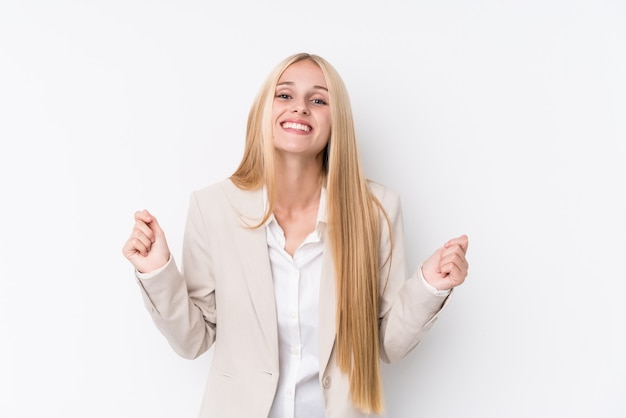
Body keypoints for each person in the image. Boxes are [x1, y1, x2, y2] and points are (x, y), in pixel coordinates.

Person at [122, 52, 469, 418]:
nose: (300, 108)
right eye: (285, 95)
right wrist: (157, 271)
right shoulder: (213, 208)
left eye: (318, 100)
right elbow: (193, 340)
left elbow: (388, 345)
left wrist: (430, 285)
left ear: (337, 121)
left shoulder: (376, 210)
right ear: (264, 111)